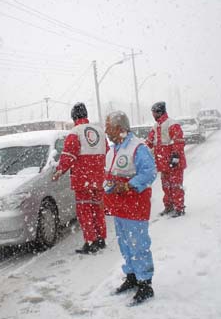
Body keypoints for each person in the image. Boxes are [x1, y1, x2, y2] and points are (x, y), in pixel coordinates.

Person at [103, 110, 157, 305]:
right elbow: (110, 175)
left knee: (138, 244)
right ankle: (132, 275)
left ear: (120, 128)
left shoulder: (138, 147)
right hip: (119, 208)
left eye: (108, 127)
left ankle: (145, 284)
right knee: (125, 243)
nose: (106, 131)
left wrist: (127, 185)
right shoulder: (114, 149)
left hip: (135, 206)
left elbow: (149, 173)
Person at [52, 102, 108, 254]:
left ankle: (91, 242)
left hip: (82, 180)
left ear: (73, 116)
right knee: (97, 209)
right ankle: (101, 239)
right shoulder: (99, 131)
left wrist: (59, 171)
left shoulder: (75, 132)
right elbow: (107, 150)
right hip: (98, 178)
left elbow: (68, 155)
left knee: (85, 212)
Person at [146, 101, 187, 217]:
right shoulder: (155, 127)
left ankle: (179, 208)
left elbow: (178, 141)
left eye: (154, 112)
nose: (153, 115)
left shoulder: (172, 124)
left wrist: (175, 157)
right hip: (163, 164)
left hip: (174, 163)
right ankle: (168, 206)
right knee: (166, 186)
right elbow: (149, 142)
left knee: (176, 186)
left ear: (159, 112)